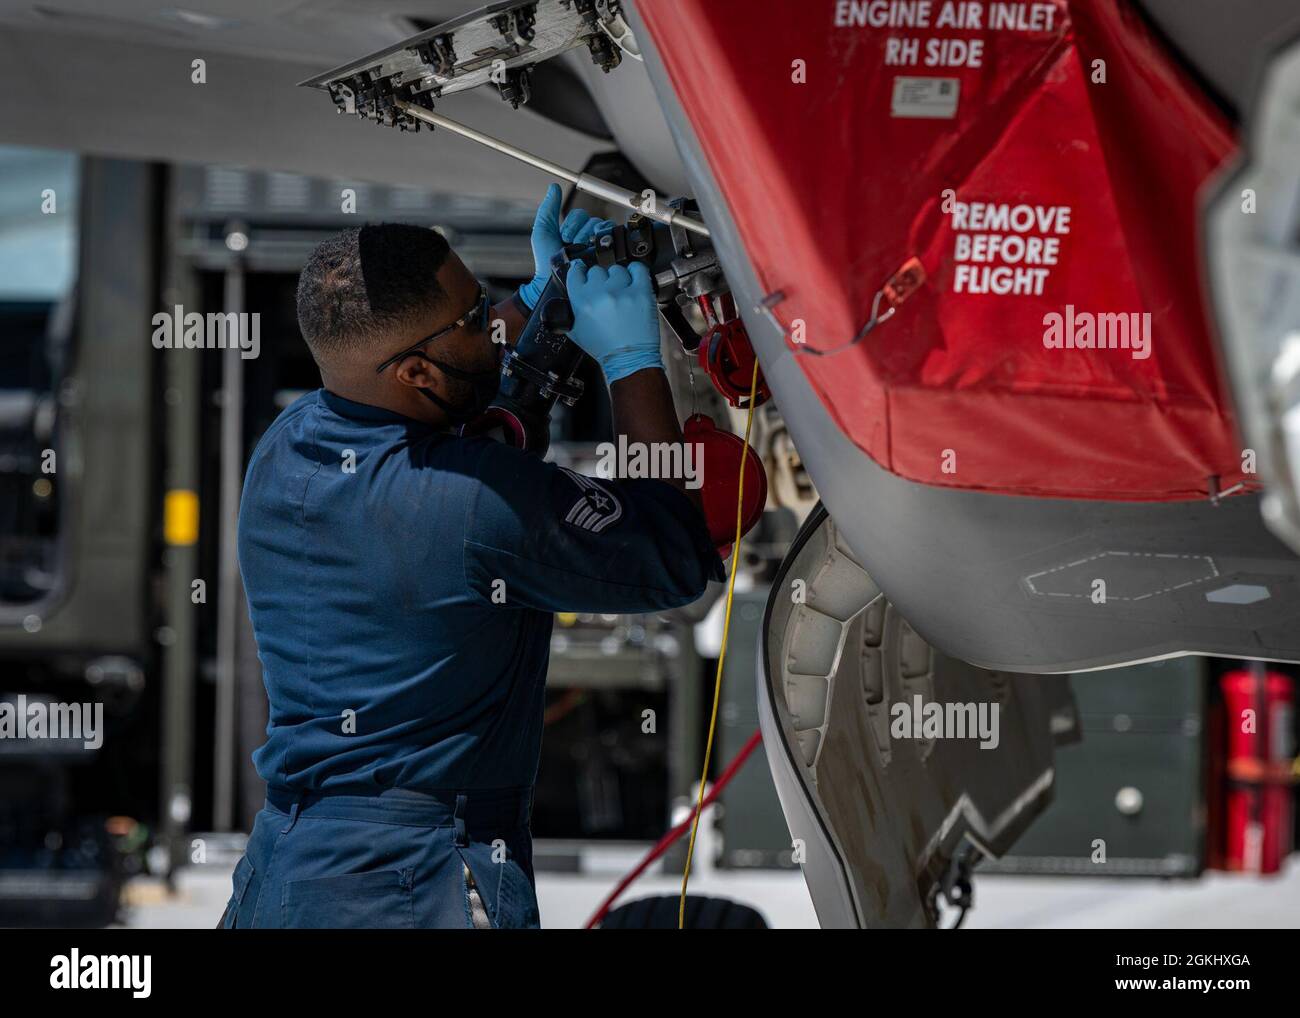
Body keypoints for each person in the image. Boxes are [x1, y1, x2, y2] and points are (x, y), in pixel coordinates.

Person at [218, 185, 721, 928]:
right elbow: (671, 552)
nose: (495, 324)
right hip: (415, 887)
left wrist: (548, 300)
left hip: (289, 873)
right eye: (474, 320)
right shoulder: (470, 507)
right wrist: (631, 360)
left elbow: (483, 435)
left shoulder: (290, 446)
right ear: (415, 373)